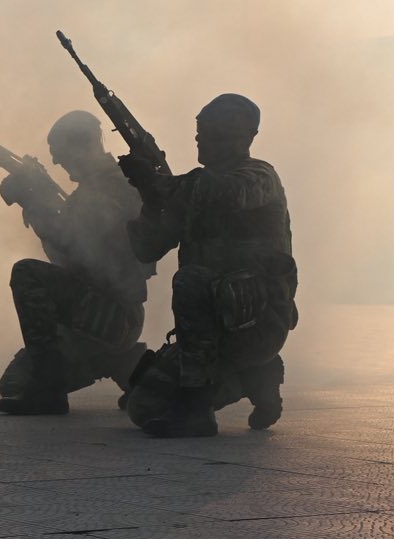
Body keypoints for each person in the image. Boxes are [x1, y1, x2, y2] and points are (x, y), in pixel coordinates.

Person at [118, 95, 297, 437]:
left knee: (191, 279)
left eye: (212, 133)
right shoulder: (191, 192)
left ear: (243, 138)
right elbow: (147, 247)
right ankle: (252, 376)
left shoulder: (258, 175)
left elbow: (222, 192)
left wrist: (159, 183)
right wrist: (149, 199)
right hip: (209, 333)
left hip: (256, 319)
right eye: (199, 132)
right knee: (144, 406)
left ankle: (198, 407)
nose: (200, 140)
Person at [0, 110, 152, 416]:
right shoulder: (97, 187)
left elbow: (77, 247)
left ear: (82, 147)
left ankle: (49, 388)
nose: (56, 162)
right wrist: (39, 200)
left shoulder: (113, 186)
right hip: (102, 313)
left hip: (110, 313)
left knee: (27, 273)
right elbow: (68, 255)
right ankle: (123, 361)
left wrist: (33, 201)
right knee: (13, 383)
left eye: (60, 153)